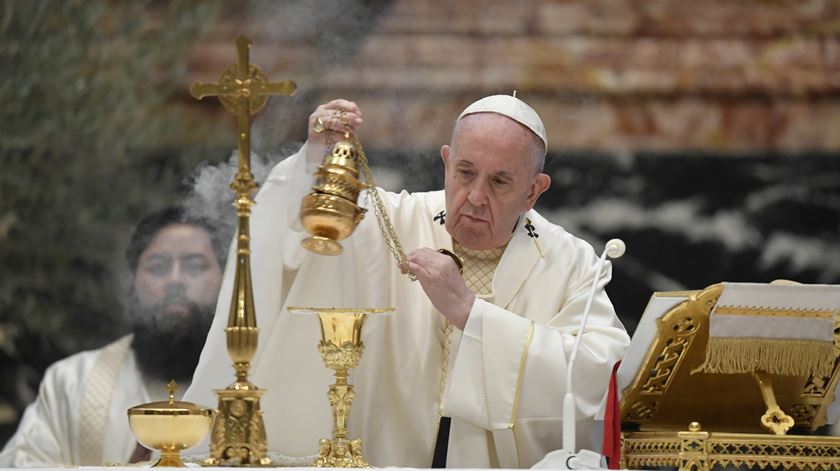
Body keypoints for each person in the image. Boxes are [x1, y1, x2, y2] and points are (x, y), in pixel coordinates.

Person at [185, 96, 630, 467]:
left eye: (499, 182)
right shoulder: (390, 221)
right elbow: (290, 234)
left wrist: (471, 315)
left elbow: (598, 375)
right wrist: (315, 161)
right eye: (465, 172)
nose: (475, 197)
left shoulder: (570, 262)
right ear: (446, 161)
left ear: (534, 191)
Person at [0, 206, 225, 467]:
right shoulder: (72, 382)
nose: (175, 280)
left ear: (225, 279)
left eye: (195, 266)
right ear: (133, 284)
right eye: (158, 266)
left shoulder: (256, 384)